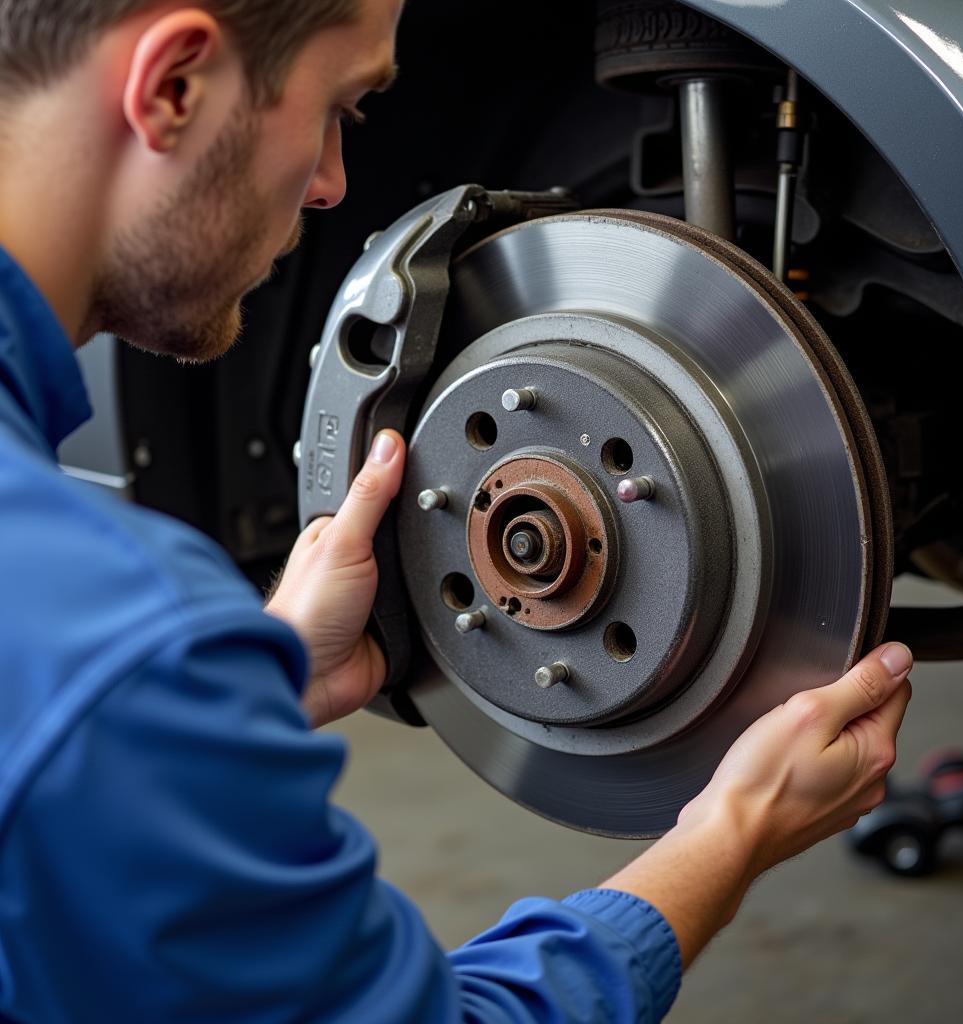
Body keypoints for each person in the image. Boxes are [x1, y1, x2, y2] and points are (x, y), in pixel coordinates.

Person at [0, 1, 913, 1021]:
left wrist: (263, 679)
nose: (333, 183)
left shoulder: (76, 636)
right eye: (340, 107)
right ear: (173, 86)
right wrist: (733, 830)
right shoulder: (116, 643)